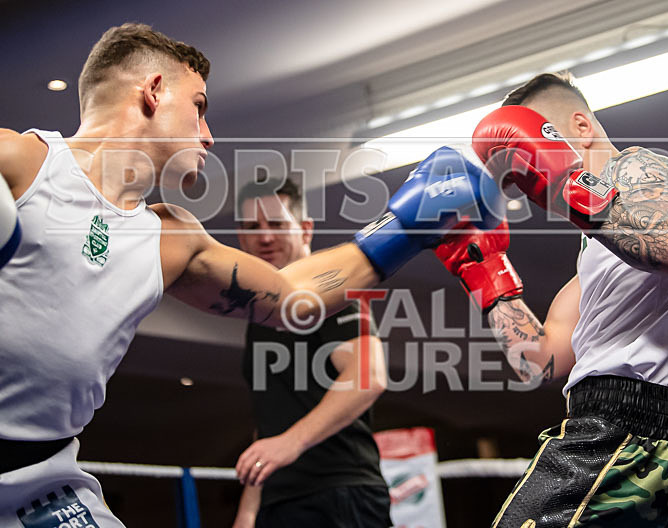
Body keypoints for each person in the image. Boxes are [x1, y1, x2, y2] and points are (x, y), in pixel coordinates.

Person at [0, 23, 503, 526]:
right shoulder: (23, 162)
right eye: (198, 106)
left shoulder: (169, 237)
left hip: (43, 484)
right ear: (153, 92)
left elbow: (292, 297)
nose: (208, 134)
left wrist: (408, 226)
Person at [435, 72, 668, 528]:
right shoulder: (596, 259)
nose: (527, 173)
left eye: (536, 145)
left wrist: (569, 181)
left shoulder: (640, 166)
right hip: (658, 441)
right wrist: (482, 269)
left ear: (581, 128)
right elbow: (541, 361)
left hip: (626, 430)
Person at [232, 179, 391, 528]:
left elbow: (368, 376)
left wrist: (291, 442)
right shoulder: (262, 312)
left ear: (305, 230)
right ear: (240, 238)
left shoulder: (329, 288)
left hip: (339, 492)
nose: (264, 237)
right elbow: (272, 423)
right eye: (252, 227)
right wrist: (248, 512)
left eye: (276, 224)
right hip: (281, 500)